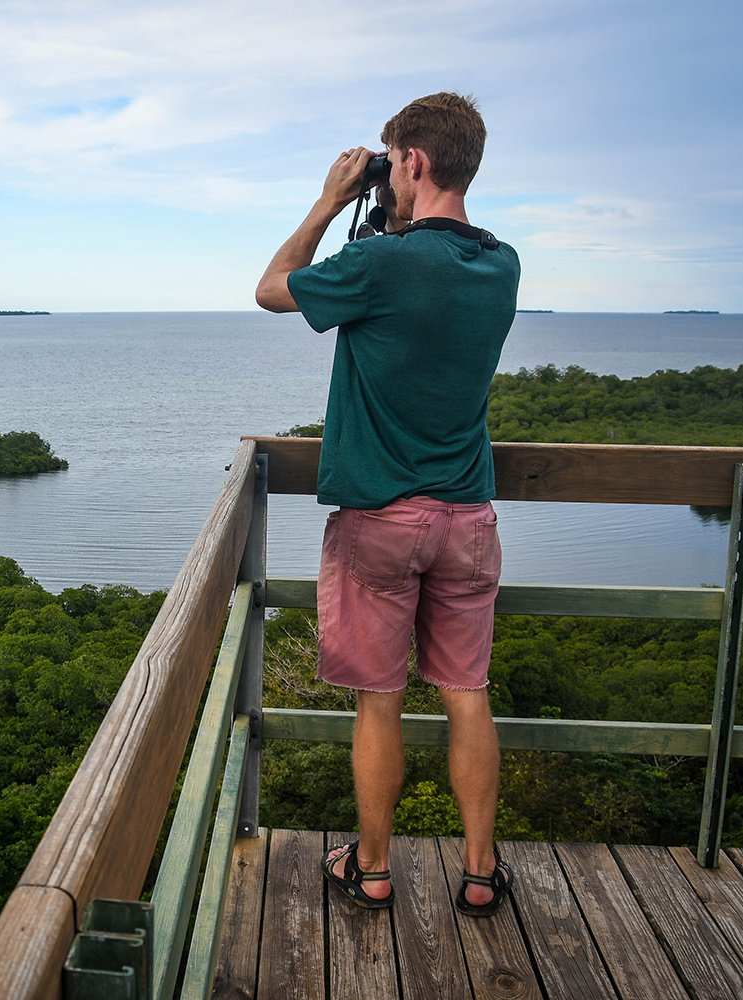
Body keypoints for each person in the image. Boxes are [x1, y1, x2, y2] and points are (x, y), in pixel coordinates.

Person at [255, 92, 519, 917]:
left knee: (381, 701)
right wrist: (387, 212)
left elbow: (271, 289)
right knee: (466, 692)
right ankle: (480, 873)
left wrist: (332, 202)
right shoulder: (502, 262)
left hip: (380, 520)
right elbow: (425, 270)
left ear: (415, 161)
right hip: (468, 518)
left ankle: (371, 869)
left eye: (393, 158)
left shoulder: (383, 264)